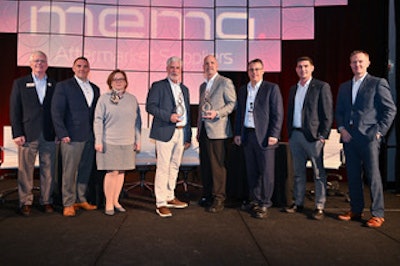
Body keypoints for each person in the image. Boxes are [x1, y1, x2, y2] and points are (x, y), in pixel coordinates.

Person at [336, 50, 396, 227]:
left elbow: (390, 109)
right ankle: (356, 209)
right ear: (350, 64)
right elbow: (339, 112)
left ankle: (377, 214)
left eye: (361, 62)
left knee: (373, 176)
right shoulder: (344, 86)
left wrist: (379, 132)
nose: (357, 65)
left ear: (368, 63)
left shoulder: (378, 83)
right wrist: (342, 129)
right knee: (353, 176)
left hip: (369, 138)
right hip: (349, 138)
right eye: (354, 62)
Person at [284, 56, 333, 220]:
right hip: (296, 135)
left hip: (313, 137)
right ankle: (298, 203)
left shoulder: (321, 86)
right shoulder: (293, 89)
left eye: (305, 66)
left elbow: (327, 114)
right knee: (298, 173)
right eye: (299, 67)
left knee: (318, 173)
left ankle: (319, 207)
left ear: (312, 68)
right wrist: (289, 132)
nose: (302, 69)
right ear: (296, 69)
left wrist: (323, 136)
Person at [233, 58, 283, 219]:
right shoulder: (242, 90)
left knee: (266, 172)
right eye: (251, 70)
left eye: (257, 69)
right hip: (248, 135)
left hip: (265, 136)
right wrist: (238, 133)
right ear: (248, 72)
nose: (254, 72)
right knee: (252, 170)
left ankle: (265, 203)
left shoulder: (271, 88)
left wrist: (274, 134)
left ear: (263, 71)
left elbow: (277, 114)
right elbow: (240, 113)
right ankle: (254, 200)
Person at [9, 51, 57, 216]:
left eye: (42, 61)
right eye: (36, 61)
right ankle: (25, 202)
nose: (39, 64)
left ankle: (46, 201)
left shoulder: (54, 84)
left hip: (49, 135)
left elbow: (57, 111)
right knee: (25, 170)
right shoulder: (20, 83)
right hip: (27, 134)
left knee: (49, 170)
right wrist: (17, 133)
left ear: (47, 64)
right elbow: (15, 110)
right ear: (30, 64)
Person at [51, 56, 100, 217]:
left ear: (89, 69)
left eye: (85, 66)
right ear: (73, 68)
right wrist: (62, 133)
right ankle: (68, 203)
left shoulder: (95, 88)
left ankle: (81, 199)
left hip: (90, 136)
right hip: (71, 137)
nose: (82, 69)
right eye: (79, 66)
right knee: (69, 171)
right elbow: (56, 112)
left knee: (85, 170)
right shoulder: (63, 86)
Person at [146, 56, 191, 218]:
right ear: (167, 69)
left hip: (180, 132)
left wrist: (188, 135)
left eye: (177, 68)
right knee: (163, 167)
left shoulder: (184, 89)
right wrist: (168, 116)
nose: (174, 70)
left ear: (181, 70)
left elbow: (188, 113)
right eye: (172, 67)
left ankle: (170, 196)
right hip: (164, 131)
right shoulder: (158, 86)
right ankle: (160, 203)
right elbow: (150, 106)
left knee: (174, 166)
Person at [94, 69, 141, 216]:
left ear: (126, 82)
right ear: (110, 82)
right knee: (112, 172)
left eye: (121, 79)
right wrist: (98, 140)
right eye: (115, 79)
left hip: (127, 142)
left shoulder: (132, 99)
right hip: (109, 142)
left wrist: (137, 140)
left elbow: (137, 121)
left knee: (121, 172)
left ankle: (115, 201)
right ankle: (108, 203)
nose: (118, 81)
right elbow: (98, 120)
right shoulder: (103, 99)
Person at [197, 55, 237, 213]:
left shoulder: (225, 82)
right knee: (206, 166)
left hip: (219, 131)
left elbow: (233, 104)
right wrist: (199, 130)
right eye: (206, 63)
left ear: (217, 65)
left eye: (212, 63)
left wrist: (217, 113)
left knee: (218, 167)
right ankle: (207, 195)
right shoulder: (202, 86)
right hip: (204, 132)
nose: (209, 66)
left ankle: (219, 198)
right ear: (203, 67)